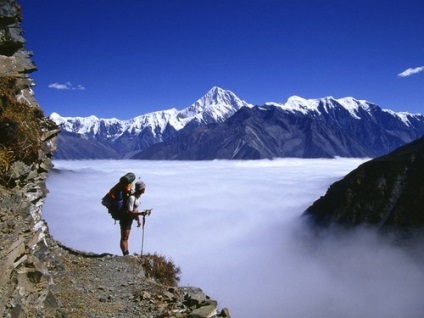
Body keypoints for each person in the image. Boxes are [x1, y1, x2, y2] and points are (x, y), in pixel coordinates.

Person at [119, 179, 147, 256]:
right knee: (124, 237)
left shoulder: (137, 197)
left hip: (129, 219)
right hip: (125, 218)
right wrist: (141, 214)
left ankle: (126, 253)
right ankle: (125, 254)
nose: (145, 189)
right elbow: (129, 211)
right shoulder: (132, 198)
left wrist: (138, 219)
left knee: (126, 237)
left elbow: (135, 209)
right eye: (144, 188)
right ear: (141, 189)